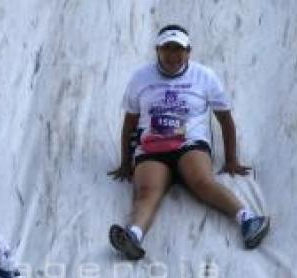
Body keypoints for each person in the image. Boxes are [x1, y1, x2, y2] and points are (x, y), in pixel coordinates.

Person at [108, 24, 270, 259]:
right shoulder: (140, 78)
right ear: (157, 50)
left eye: (179, 50)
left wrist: (232, 159)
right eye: (167, 49)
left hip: (189, 144)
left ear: (189, 52)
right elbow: (129, 123)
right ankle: (133, 236)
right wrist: (125, 163)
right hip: (152, 147)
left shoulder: (204, 76)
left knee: (202, 182)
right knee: (146, 191)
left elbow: (225, 119)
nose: (173, 56)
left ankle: (248, 220)